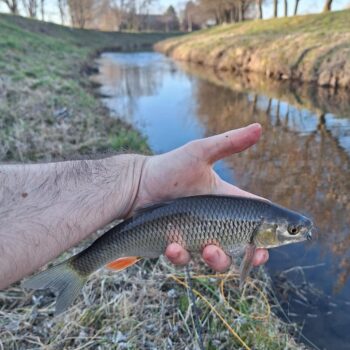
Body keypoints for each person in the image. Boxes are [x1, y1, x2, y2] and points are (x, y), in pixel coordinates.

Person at [0, 123, 268, 290]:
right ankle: (77, 269)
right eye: (291, 231)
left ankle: (77, 269)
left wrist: (136, 180)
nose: (296, 234)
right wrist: (137, 180)